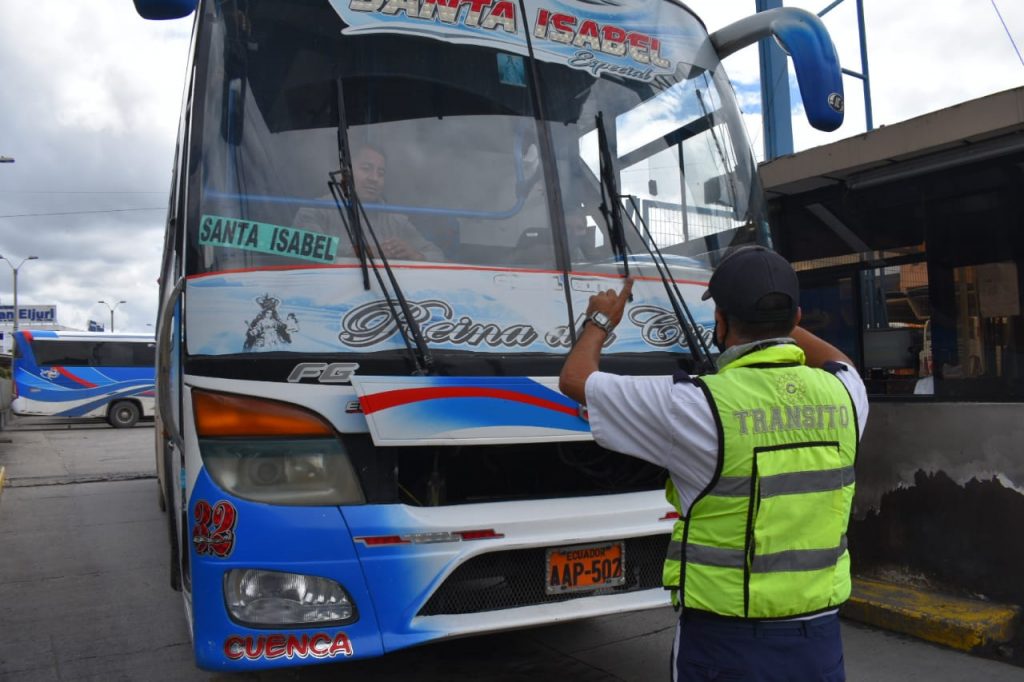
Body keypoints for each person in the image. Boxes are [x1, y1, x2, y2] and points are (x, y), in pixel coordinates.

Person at [559, 245, 869, 682]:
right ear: (797, 318)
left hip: (725, 640)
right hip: (817, 638)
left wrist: (601, 320)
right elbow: (841, 363)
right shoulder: (846, 395)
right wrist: (780, 327)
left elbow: (575, 379)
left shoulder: (695, 405)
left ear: (720, 321)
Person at [294, 143, 444, 261]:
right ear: (344, 172)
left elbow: (437, 255)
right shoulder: (315, 210)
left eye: (381, 173)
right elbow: (303, 246)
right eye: (366, 169)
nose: (374, 178)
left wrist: (416, 255)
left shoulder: (396, 221)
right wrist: (364, 252)